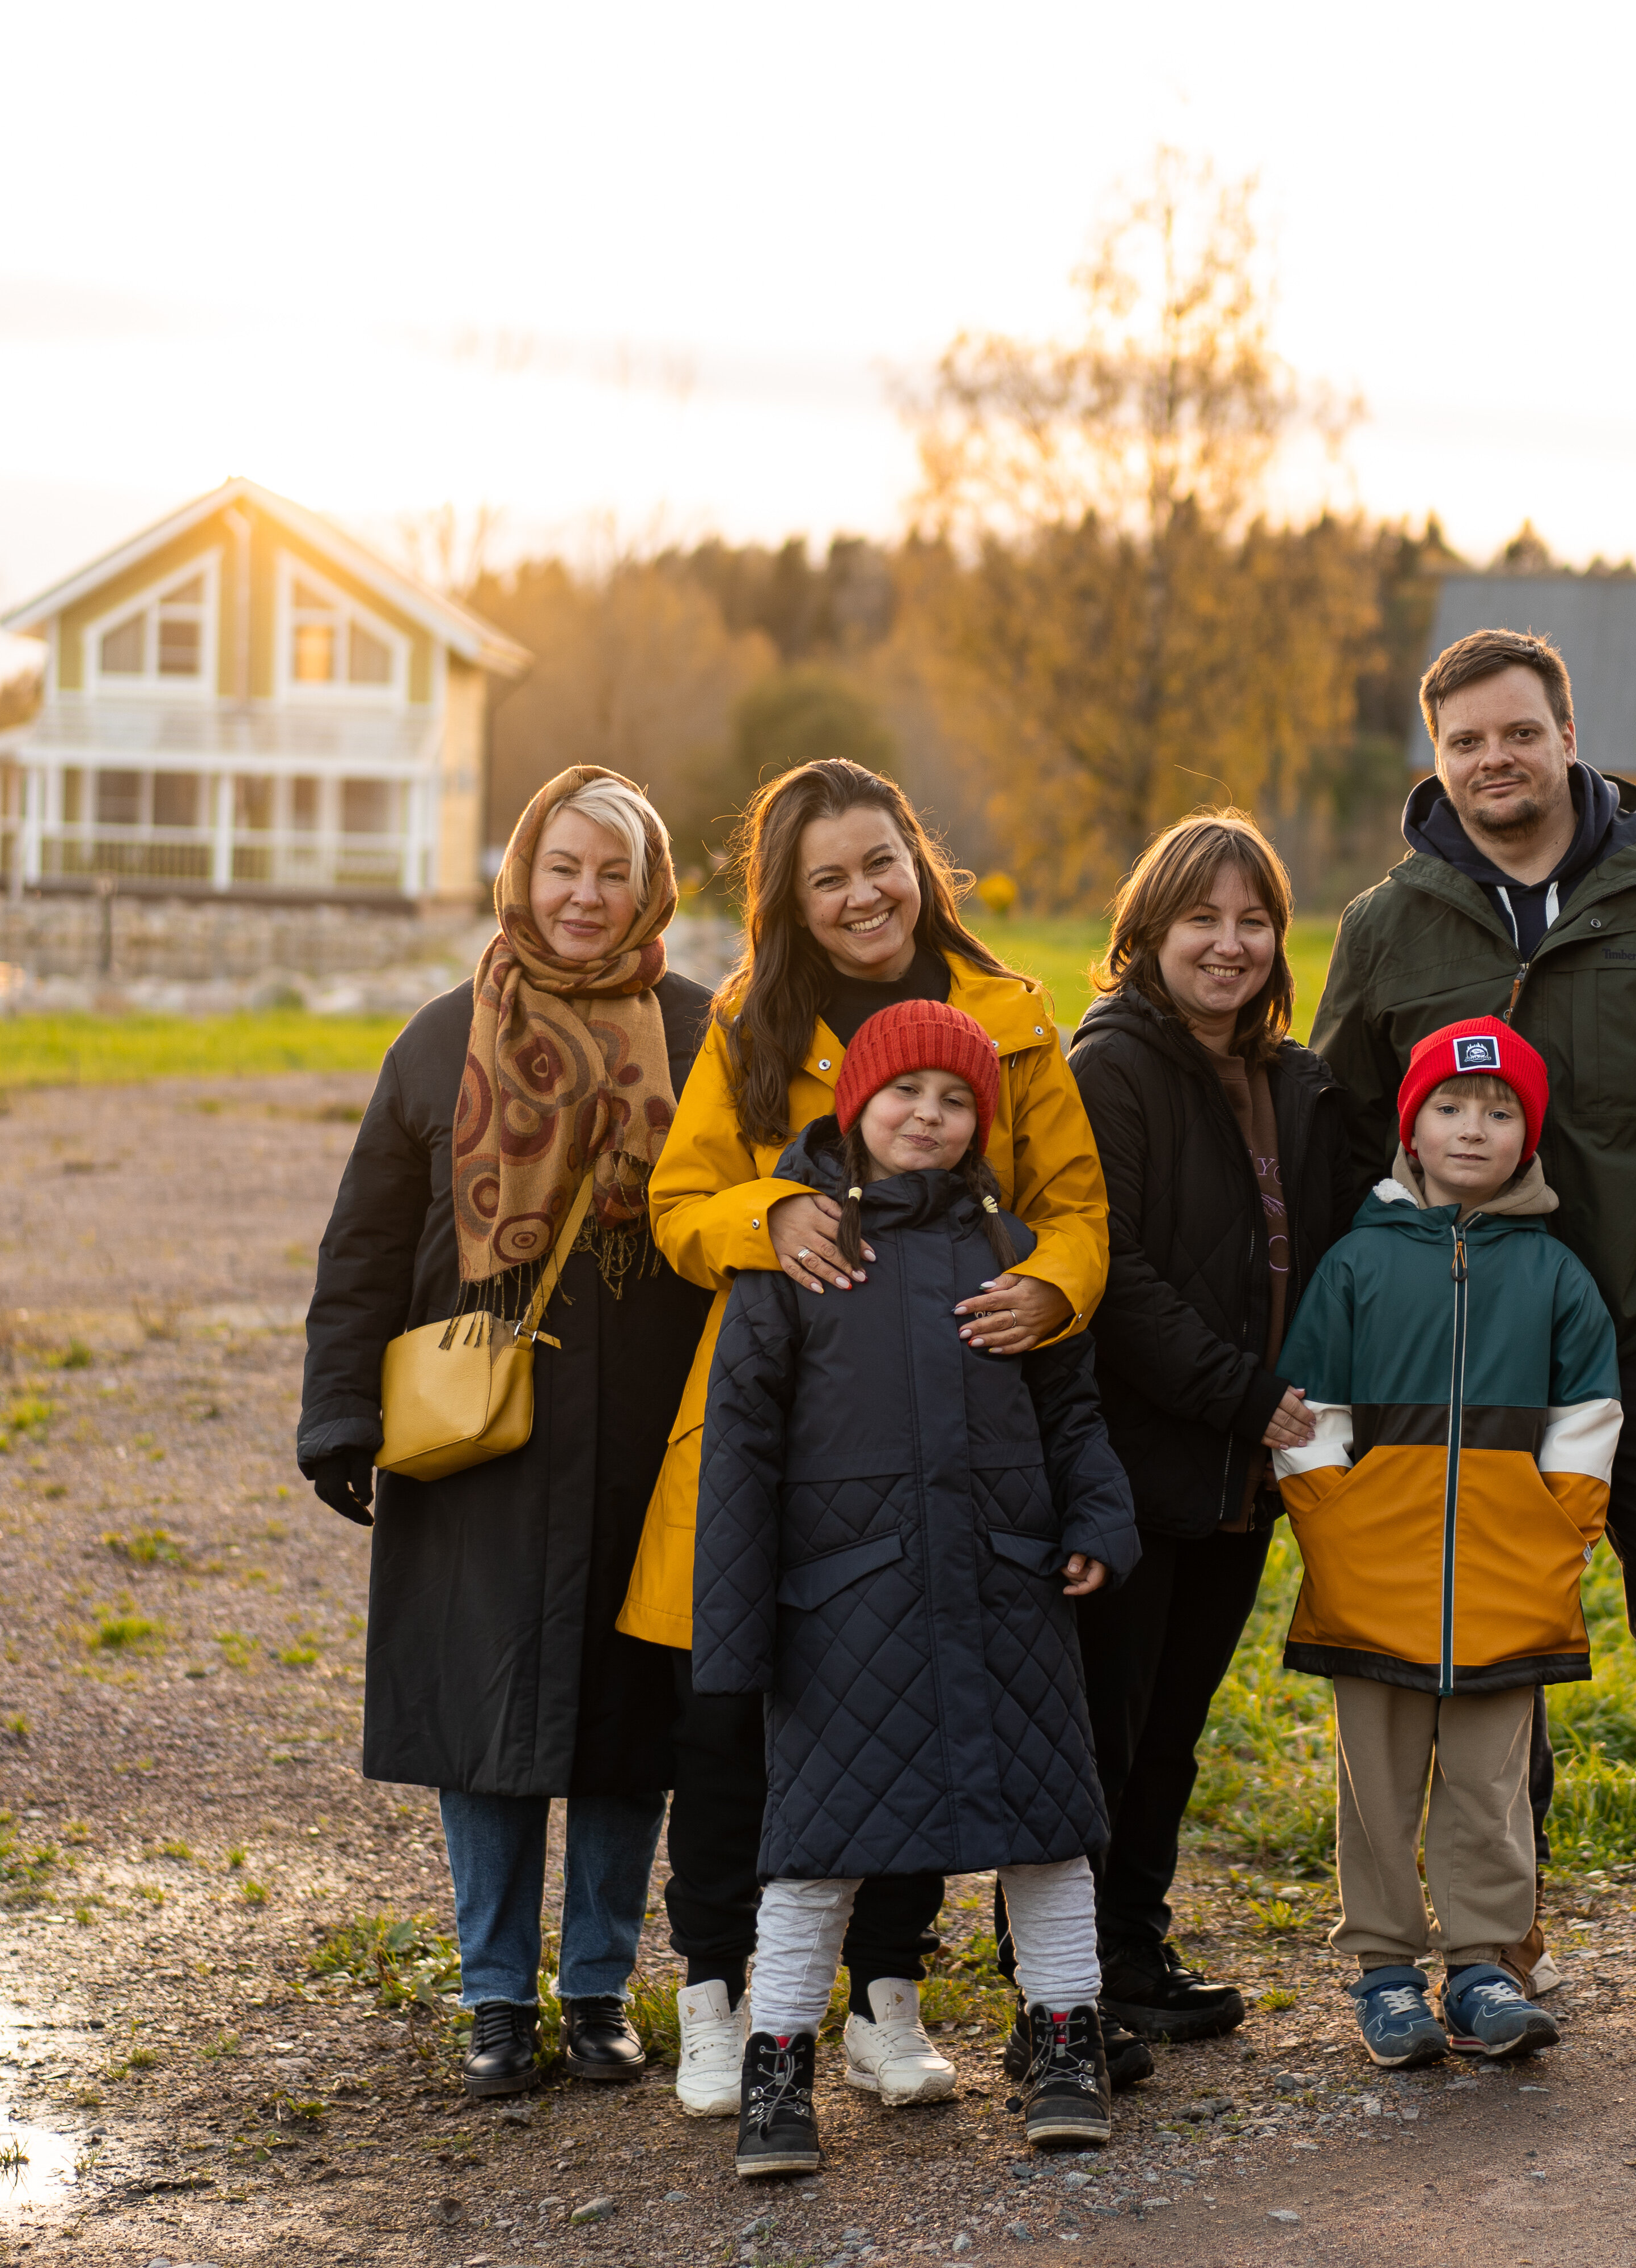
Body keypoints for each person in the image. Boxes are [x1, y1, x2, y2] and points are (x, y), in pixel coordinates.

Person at [1309, 627, 1636, 2068]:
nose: (1495, 760)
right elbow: (1339, 1144)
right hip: (1466, 1354)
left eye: (1518, 732)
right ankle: (1495, 1943)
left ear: (1566, 732)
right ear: (1439, 757)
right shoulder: (1391, 928)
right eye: (1466, 739)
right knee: (1483, 1647)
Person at [622, 758, 1113, 2117]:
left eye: (879, 862)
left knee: (931, 1685)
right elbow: (681, 1201)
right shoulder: (750, 1023)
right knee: (736, 1714)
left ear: (921, 861)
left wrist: (1052, 1284)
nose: (860, 895)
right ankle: (718, 1993)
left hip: (963, 1416)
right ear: (789, 897)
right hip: (786, 1428)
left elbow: (1076, 1206)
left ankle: (885, 1992)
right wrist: (767, 1210)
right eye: (826, 876)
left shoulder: (1009, 1021)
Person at [296, 767, 707, 2098]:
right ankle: (493, 1998)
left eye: (612, 874)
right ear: (521, 873)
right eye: (562, 868)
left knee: (628, 1717)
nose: (584, 897)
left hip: (651, 1432)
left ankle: (594, 1991)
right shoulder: (436, 1040)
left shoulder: (702, 1037)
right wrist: (340, 1412)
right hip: (474, 1436)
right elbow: (363, 1242)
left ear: (649, 889)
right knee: (482, 1717)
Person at [693, 1002, 1141, 2173]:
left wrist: (1097, 1515)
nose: (930, 1116)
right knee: (813, 1851)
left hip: (1005, 1586)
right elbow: (737, 1447)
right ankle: (778, 2070)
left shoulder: (1014, 1255)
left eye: (956, 1100)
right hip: (845, 1605)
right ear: (856, 1108)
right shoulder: (802, 1255)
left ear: (981, 1122)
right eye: (906, 1094)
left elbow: (1070, 1410)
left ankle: (1064, 2040)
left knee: (1048, 1834)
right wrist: (732, 1636)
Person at [1056, 810, 1355, 2047]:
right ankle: (1070, 1973)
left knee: (1173, 1726)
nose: (1228, 945)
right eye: (1202, 920)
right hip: (1142, 1456)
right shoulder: (1109, 1066)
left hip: (1253, 1465)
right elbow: (1113, 1268)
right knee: (1106, 1722)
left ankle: (1131, 1941)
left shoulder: (1295, 1080)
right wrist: (1243, 1391)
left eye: (1253, 921)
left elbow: (1338, 1252)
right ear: (1148, 931)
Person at [1270, 1018, 1620, 2067]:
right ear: (1412, 1128)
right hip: (1369, 1576)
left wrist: (1559, 1531)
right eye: (1452, 1107)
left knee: (1490, 1785)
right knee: (1374, 1783)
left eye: (1500, 1110)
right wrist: (1334, 1526)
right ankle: (1385, 1974)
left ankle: (1481, 1969)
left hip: (1513, 1583)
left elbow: (1589, 1421)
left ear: (1530, 1136)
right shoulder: (1355, 1265)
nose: (1475, 1128)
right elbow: (1311, 1413)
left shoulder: (1557, 1275)